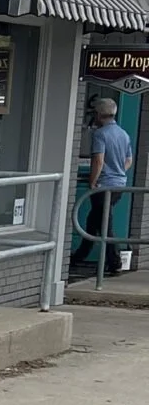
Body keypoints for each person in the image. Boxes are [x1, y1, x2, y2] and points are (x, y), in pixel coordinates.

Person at [76, 94, 135, 277]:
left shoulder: (100, 134)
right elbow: (129, 160)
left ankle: (115, 263)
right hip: (119, 184)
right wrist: (119, 171)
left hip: (104, 185)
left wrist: (93, 181)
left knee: (104, 225)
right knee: (93, 221)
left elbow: (98, 160)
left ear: (99, 114)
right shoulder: (123, 134)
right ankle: (80, 255)